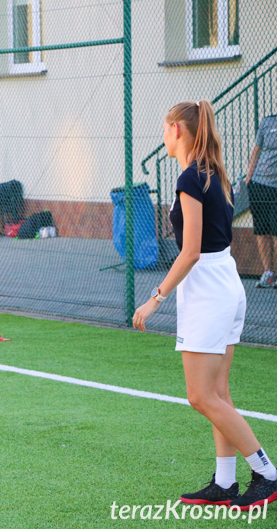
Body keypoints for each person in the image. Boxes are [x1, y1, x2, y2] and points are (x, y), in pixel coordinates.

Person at [133, 100, 276, 511]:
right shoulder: (213, 174)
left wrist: (155, 299)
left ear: (178, 129)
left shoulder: (191, 179)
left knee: (201, 396)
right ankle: (225, 482)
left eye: (165, 127)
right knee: (218, 392)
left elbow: (191, 250)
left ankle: (266, 472)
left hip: (209, 290)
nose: (162, 135)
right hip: (224, 284)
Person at [245, 113, 277, 288]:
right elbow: (257, 150)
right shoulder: (267, 122)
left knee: (276, 230)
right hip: (259, 183)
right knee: (261, 230)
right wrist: (249, 179)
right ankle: (268, 274)